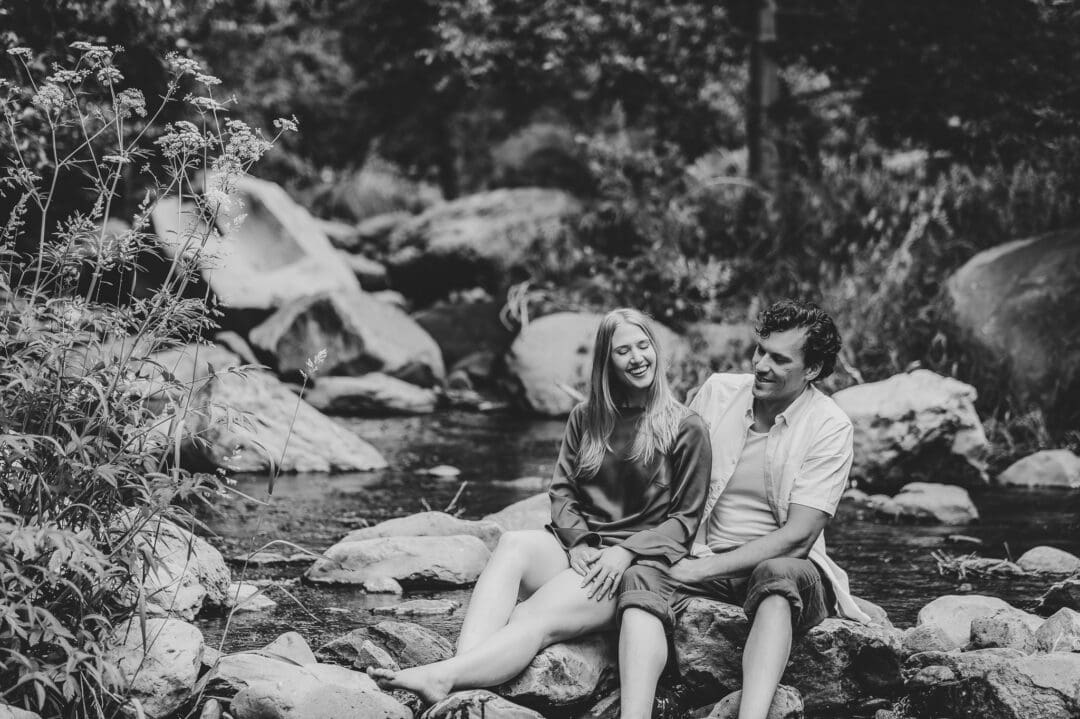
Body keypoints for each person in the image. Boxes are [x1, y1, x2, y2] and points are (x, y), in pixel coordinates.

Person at [369, 308, 712, 708]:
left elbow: (684, 523)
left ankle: (445, 679)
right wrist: (579, 542)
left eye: (643, 345)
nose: (637, 357)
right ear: (607, 361)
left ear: (656, 350)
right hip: (582, 550)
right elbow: (563, 492)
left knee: (532, 616)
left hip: (633, 564)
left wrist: (624, 551)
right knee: (513, 543)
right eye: (623, 351)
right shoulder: (587, 418)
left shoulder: (687, 428)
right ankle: (464, 670)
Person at [617, 299, 872, 719]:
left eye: (779, 359)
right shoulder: (718, 393)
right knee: (641, 576)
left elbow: (799, 537)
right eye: (760, 351)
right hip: (704, 553)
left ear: (812, 370)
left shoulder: (830, 426)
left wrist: (700, 570)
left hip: (786, 569)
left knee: (776, 573)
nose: (762, 365)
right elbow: (670, 479)